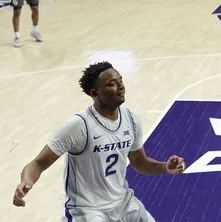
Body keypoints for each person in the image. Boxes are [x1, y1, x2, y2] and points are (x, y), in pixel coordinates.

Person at [12, 61, 186, 220]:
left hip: (124, 202)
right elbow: (38, 163)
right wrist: (26, 181)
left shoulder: (131, 119)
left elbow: (139, 162)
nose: (121, 86)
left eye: (121, 80)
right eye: (112, 84)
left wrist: (165, 167)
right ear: (95, 93)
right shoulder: (79, 126)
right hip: (88, 209)